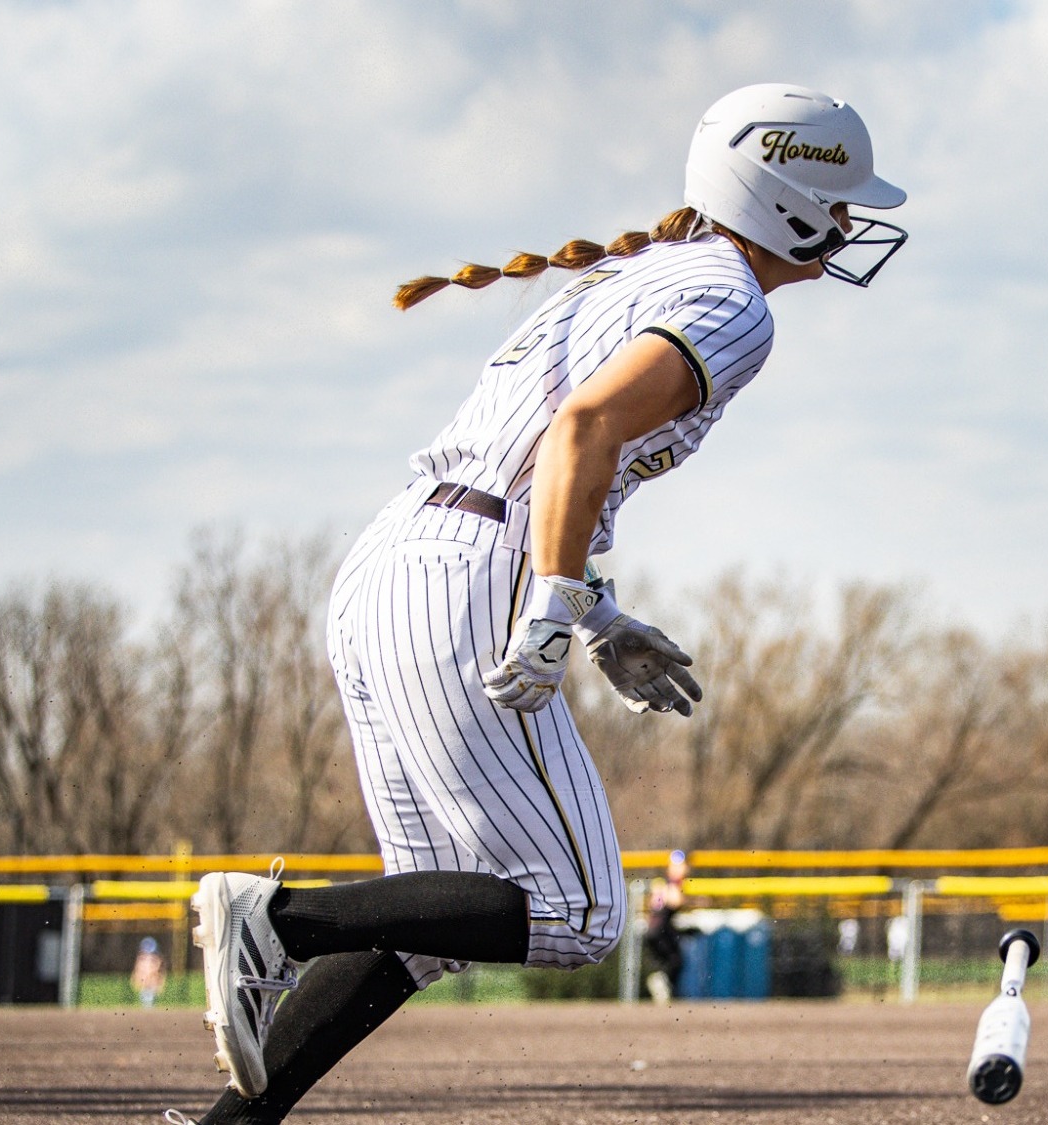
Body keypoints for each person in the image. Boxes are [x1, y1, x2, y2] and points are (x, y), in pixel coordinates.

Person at [169, 84, 906, 1125]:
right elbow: (578, 434)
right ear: (783, 196)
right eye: (837, 202)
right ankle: (275, 919)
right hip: (473, 573)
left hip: (402, 558)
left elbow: (542, 458)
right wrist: (556, 601)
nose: (846, 224)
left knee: (431, 918)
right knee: (577, 910)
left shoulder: (648, 272)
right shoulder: (733, 302)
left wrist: (599, 616)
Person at [642, 850, 689, 1005]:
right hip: (660, 931)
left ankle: (661, 983)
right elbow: (675, 901)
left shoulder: (661, 883)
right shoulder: (672, 884)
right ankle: (661, 984)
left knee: (667, 961)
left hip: (653, 931)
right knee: (675, 960)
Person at [131, 937, 167, 1008]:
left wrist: (159, 984)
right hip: (144, 985)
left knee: (150, 1002)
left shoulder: (156, 960)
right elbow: (137, 973)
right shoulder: (140, 960)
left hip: (152, 985)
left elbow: (159, 975)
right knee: (145, 1001)